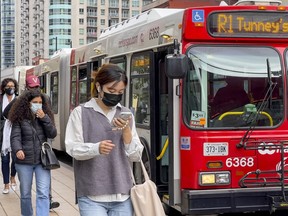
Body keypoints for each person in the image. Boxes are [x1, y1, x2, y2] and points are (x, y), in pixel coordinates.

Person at [65, 63, 143, 216]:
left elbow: (136, 156)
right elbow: (72, 148)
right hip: (91, 194)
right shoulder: (81, 112)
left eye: (120, 92)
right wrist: (96, 148)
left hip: (123, 194)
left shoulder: (126, 114)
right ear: (99, 86)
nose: (115, 95)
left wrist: (126, 130)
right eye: (111, 90)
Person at [9, 90, 57, 216]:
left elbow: (52, 133)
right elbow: (15, 137)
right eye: (35, 102)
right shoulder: (19, 118)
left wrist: (44, 118)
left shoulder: (45, 116)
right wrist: (18, 149)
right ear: (28, 103)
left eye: (40, 102)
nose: (38, 105)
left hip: (42, 160)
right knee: (25, 194)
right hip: (24, 161)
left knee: (43, 192)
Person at [25, 75, 60, 210]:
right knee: (26, 187)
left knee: (47, 165)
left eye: (37, 86)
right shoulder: (22, 101)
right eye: (32, 87)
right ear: (27, 87)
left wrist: (44, 118)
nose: (35, 89)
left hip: (44, 139)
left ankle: (48, 199)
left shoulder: (45, 99)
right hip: (27, 142)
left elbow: (50, 117)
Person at [0, 78, 18, 194]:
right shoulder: (1, 99)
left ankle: (13, 176)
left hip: (16, 131)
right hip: (3, 132)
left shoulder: (19, 100)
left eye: (12, 86)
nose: (10, 88)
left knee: (16, 158)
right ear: (4, 88)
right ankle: (6, 184)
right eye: (8, 86)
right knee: (5, 159)